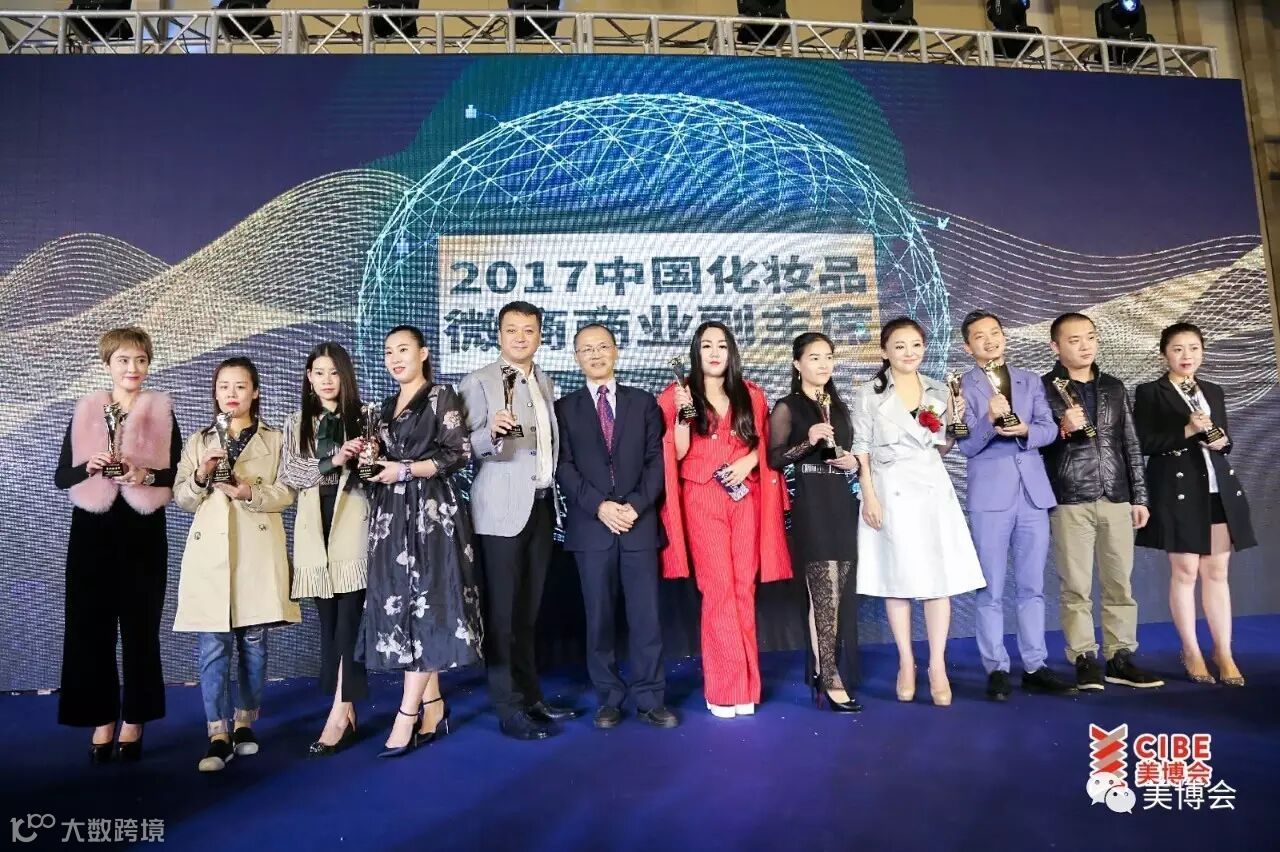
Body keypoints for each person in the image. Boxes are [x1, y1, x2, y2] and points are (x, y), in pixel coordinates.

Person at [357, 326, 484, 757]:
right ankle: (434, 704)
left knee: (428, 604)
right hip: (391, 516)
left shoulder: (440, 396)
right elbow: (377, 465)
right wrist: (369, 462)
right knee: (405, 607)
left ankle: (405, 714)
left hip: (431, 513)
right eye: (388, 352)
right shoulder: (382, 407)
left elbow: (458, 452)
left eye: (404, 350)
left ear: (423, 353)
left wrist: (406, 470)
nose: (395, 358)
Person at [55, 327, 180, 764]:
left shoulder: (162, 411)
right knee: (90, 631)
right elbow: (62, 477)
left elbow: (178, 475)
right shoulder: (87, 410)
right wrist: (87, 468)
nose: (133, 368)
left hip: (143, 533)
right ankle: (102, 717)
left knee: (141, 631)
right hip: (91, 534)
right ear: (107, 363)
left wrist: (143, 475)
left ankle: (135, 719)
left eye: (141, 359)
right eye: (124, 360)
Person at [657, 321, 791, 718]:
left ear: (731, 352)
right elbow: (675, 454)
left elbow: (766, 444)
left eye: (721, 345)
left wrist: (749, 460)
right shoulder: (676, 394)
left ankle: (747, 686)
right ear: (695, 353)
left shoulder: (751, 394)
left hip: (745, 497)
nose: (715, 352)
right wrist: (683, 416)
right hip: (701, 497)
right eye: (706, 346)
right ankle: (723, 689)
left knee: (743, 589)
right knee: (717, 591)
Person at [173, 357, 300, 772]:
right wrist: (200, 476)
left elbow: (289, 492)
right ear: (215, 392)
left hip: (256, 551)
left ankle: (245, 722)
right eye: (224, 386)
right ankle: (217, 732)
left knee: (253, 643)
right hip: (210, 554)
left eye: (240, 386)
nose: (231, 393)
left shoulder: (276, 439)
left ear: (255, 392)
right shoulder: (198, 440)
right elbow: (182, 497)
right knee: (213, 645)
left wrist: (250, 492)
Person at [461, 301, 580, 740]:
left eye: (528, 330)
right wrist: (488, 433)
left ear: (540, 336)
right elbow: (459, 447)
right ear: (498, 335)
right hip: (499, 512)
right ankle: (508, 707)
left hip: (541, 505)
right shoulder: (479, 381)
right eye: (511, 329)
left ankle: (531, 698)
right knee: (503, 614)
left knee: (528, 611)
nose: (520, 337)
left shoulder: (544, 381)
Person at [852, 317, 984, 706]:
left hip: (931, 490)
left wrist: (955, 421)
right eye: (899, 346)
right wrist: (869, 495)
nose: (909, 353)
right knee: (898, 580)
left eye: (916, 345)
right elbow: (861, 448)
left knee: (936, 580)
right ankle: (906, 662)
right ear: (884, 351)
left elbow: (941, 447)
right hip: (889, 491)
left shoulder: (939, 389)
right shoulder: (869, 393)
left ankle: (937, 665)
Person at [554, 324, 677, 729]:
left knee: (646, 618)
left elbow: (656, 462)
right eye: (586, 349)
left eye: (602, 346)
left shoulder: (643, 402)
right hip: (592, 528)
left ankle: (650, 698)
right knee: (599, 618)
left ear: (616, 351)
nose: (595, 354)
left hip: (638, 525)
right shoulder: (563, 408)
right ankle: (608, 697)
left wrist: (635, 505)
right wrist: (599, 506)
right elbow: (563, 467)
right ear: (576, 357)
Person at [956, 311, 1077, 701]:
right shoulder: (960, 386)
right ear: (967, 346)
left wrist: (1025, 430)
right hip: (989, 496)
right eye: (979, 336)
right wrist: (989, 421)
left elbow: (1048, 429)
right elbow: (965, 445)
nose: (989, 340)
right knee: (990, 589)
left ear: (1004, 337)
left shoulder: (1029, 379)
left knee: (1032, 586)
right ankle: (996, 668)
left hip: (1033, 493)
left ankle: (1035, 665)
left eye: (995, 332)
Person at [1040, 313, 1164, 691]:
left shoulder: (1113, 386)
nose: (1085, 346)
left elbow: (1130, 443)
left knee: (1119, 584)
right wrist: (1062, 429)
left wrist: (1139, 497)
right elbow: (1034, 444)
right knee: (1075, 586)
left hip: (1116, 496)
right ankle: (1083, 657)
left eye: (1090, 337)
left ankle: (1119, 657)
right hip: (1070, 497)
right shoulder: (1043, 388)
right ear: (1055, 346)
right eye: (1074, 339)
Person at [1133, 322, 1255, 686]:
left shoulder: (1213, 390)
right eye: (1177, 349)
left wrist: (1222, 442)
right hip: (1177, 491)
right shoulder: (1150, 392)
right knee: (1185, 571)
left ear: (1202, 351)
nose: (1186, 356)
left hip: (1217, 488)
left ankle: (1224, 651)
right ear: (1164, 354)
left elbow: (1224, 439)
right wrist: (1186, 430)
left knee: (1217, 572)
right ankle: (1191, 650)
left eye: (1194, 348)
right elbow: (1143, 442)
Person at [279, 342, 371, 755]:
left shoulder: (365, 416)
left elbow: (373, 470)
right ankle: (345, 710)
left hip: (353, 519)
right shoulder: (297, 422)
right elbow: (292, 472)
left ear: (346, 376)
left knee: (349, 622)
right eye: (319, 373)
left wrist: (361, 458)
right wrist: (335, 460)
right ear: (309, 378)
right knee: (329, 624)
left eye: (334, 372)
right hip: (313, 526)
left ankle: (338, 712)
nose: (327, 381)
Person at [767, 332, 863, 712]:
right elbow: (775, 458)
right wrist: (808, 441)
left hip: (841, 502)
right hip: (809, 505)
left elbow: (851, 453)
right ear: (797, 364)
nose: (823, 364)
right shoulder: (787, 406)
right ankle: (830, 676)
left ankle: (826, 668)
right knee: (823, 592)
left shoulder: (839, 406)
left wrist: (852, 462)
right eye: (814, 357)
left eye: (828, 357)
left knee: (838, 595)